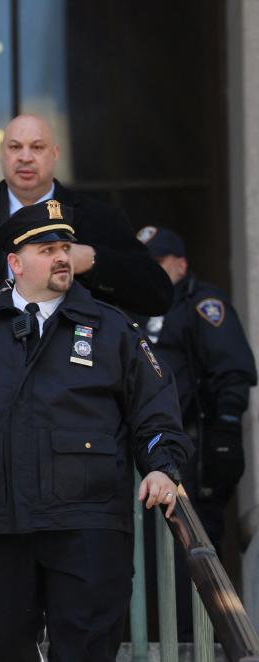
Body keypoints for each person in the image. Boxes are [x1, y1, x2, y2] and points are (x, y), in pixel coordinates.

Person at [0, 200, 192, 662]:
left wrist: (161, 467)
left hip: (86, 523)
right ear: (14, 263)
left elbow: (154, 408)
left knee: (87, 650)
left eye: (65, 247)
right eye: (47, 248)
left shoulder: (111, 327)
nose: (61, 257)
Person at [0, 114, 173, 326]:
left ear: (55, 154)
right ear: (2, 154)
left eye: (37, 147)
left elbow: (157, 295)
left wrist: (94, 259)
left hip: (77, 381)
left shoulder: (100, 217)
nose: (25, 158)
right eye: (15, 147)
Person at [136, 225, 257, 638]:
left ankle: (195, 640)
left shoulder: (201, 304)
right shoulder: (130, 307)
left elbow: (233, 373)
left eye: (157, 264)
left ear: (181, 265)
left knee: (194, 549)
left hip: (193, 451)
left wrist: (225, 432)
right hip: (142, 452)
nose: (148, 272)